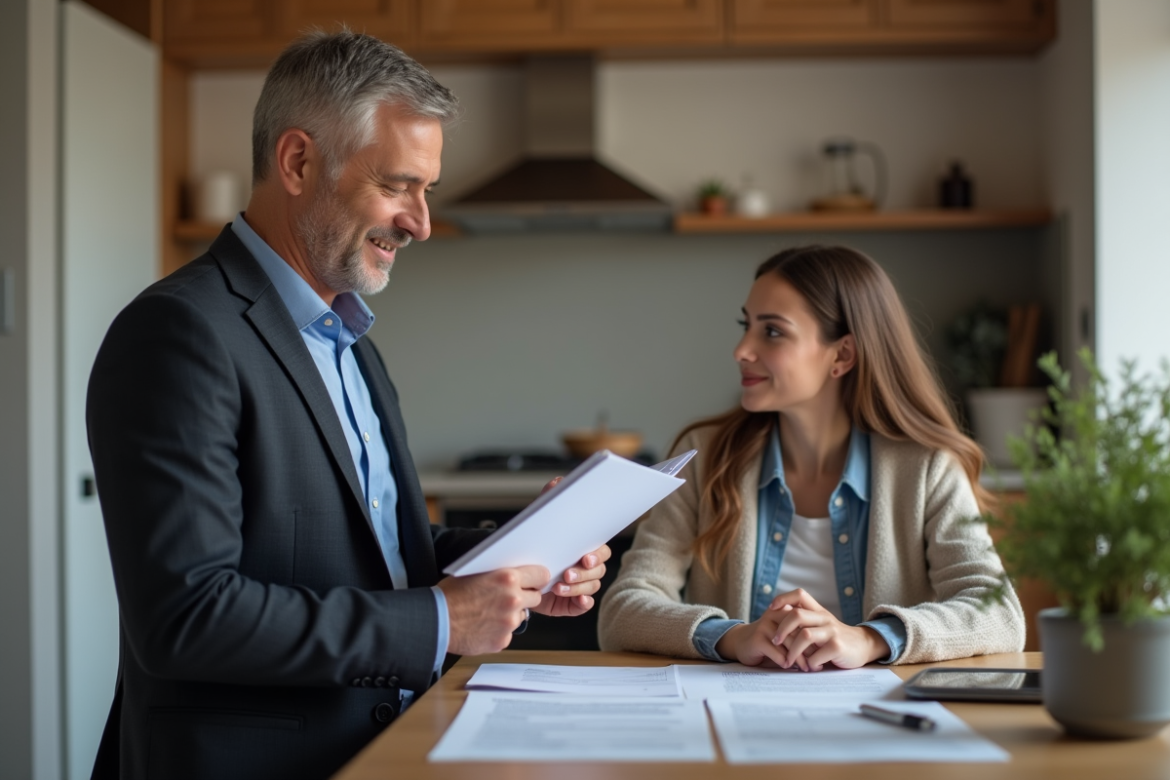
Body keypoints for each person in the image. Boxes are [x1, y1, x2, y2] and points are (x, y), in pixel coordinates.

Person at [86, 31, 609, 780]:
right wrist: (441, 618)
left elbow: (371, 550)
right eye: (398, 185)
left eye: (426, 190)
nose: (420, 222)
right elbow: (188, 616)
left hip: (378, 751)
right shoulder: (178, 332)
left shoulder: (350, 341)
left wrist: (521, 559)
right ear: (298, 161)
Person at [598, 245, 1024, 670]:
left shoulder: (929, 466)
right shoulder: (708, 455)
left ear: (842, 355)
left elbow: (1000, 614)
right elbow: (622, 610)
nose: (741, 350)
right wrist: (731, 636)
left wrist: (871, 638)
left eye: (772, 331)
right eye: (746, 326)